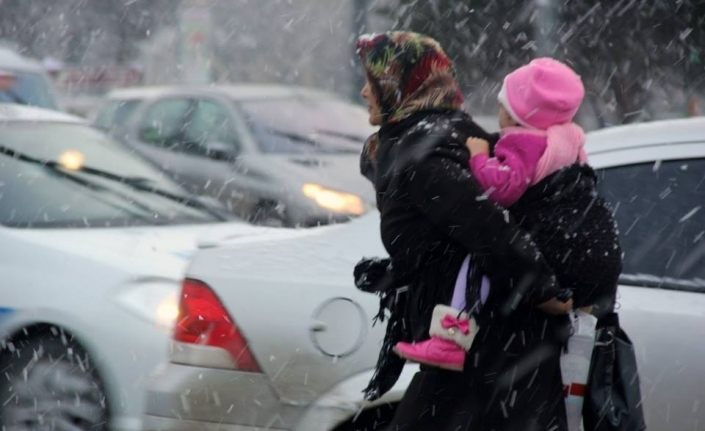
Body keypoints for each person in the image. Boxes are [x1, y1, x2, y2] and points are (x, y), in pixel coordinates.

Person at [354, 31, 577, 430]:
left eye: (371, 83)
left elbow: (487, 227)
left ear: (398, 87)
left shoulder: (426, 153)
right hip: (484, 353)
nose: (363, 93)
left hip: (485, 356)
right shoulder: (438, 135)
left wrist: (543, 289)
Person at [393, 58, 621, 378]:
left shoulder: (522, 140)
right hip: (576, 257)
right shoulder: (568, 140)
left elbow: (504, 188)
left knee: (477, 258)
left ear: (517, 114)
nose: (498, 112)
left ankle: (451, 338)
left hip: (540, 251)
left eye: (503, 104)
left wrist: (479, 158)